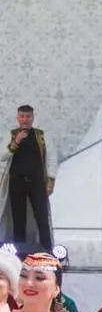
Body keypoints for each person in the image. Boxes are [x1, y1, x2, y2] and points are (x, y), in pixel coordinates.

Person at [0, 105, 57, 249]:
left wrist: (50, 181)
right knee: (18, 219)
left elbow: (51, 158)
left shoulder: (41, 135)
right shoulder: (11, 134)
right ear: (17, 118)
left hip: (37, 182)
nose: (25, 120)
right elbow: (2, 156)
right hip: (16, 182)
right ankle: (19, 254)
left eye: (28, 116)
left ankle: (47, 251)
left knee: (42, 218)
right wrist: (16, 142)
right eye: (22, 116)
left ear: (33, 117)